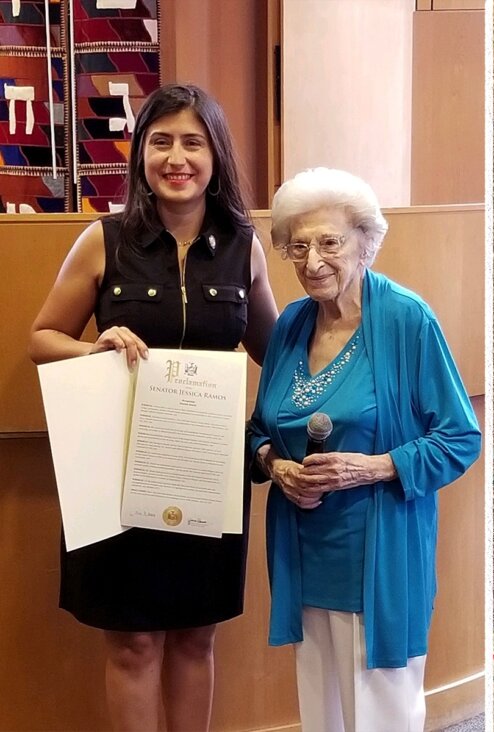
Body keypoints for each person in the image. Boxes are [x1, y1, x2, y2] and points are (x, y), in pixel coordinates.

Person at [27, 84, 279, 731]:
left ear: (215, 155)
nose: (177, 157)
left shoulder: (243, 245)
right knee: (134, 641)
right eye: (161, 140)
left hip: (205, 467)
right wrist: (94, 347)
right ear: (140, 153)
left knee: (196, 635)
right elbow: (41, 337)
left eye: (193, 142)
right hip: (116, 469)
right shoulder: (103, 240)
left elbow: (276, 350)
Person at [248, 167, 480, 732]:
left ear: (366, 243)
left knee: (382, 715)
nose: (312, 261)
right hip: (306, 556)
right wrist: (274, 465)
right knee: (322, 712)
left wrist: (373, 467)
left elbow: (460, 436)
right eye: (297, 246)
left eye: (330, 242)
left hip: (379, 557)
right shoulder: (291, 325)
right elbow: (260, 429)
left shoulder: (405, 319)